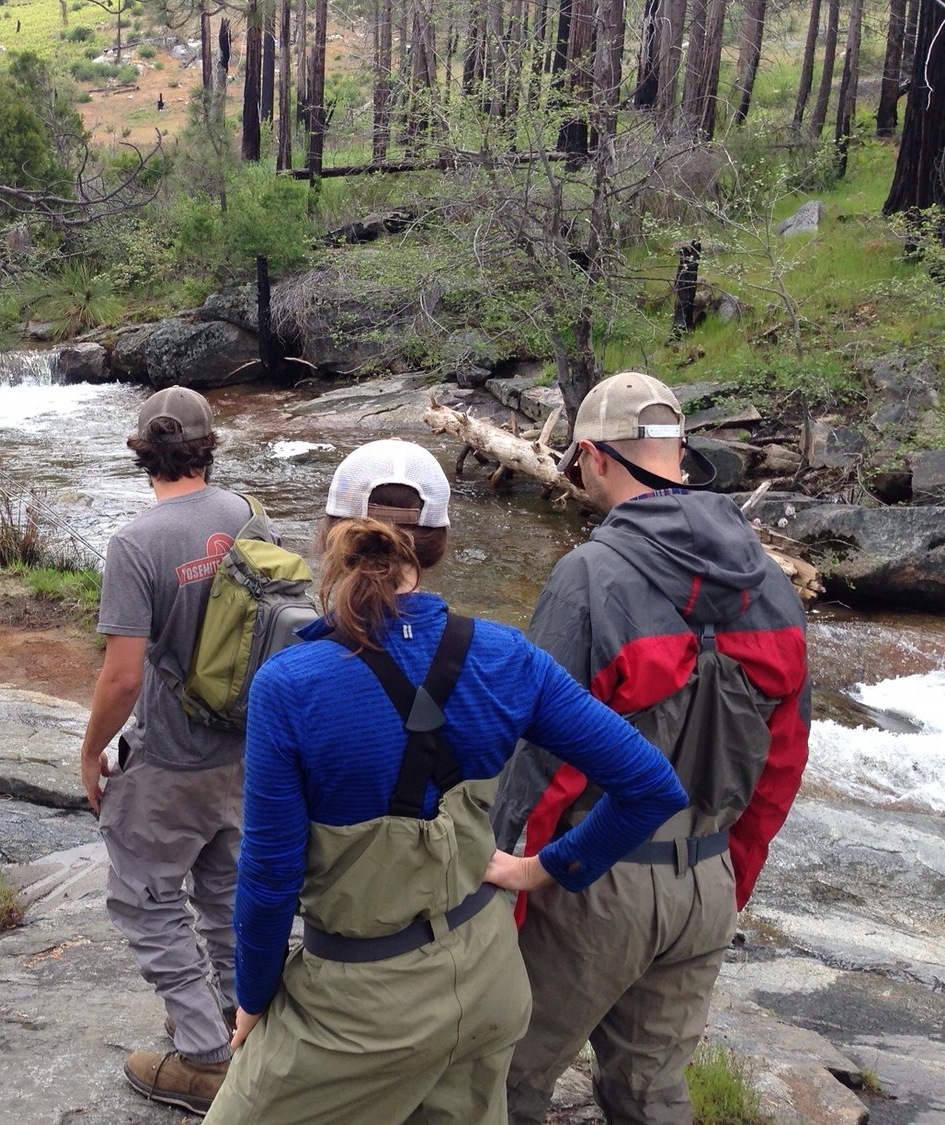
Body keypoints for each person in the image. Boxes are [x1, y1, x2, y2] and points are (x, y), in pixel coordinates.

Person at [205, 438, 689, 1125]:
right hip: (489, 979)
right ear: (435, 546)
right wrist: (539, 869)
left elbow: (269, 876)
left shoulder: (290, 684)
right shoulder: (504, 654)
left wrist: (252, 999)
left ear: (329, 535)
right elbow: (650, 785)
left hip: (358, 1010)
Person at [492, 371, 811, 1125]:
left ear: (595, 457)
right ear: (680, 454)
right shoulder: (771, 583)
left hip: (591, 884)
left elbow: (541, 764)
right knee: (652, 1096)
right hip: (707, 882)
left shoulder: (589, 576)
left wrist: (508, 886)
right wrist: (732, 878)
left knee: (503, 1077)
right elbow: (782, 764)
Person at [79, 385, 254, 1114]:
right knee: (224, 895)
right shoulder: (245, 514)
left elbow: (122, 676)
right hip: (244, 750)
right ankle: (250, 1031)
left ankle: (203, 1055)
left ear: (141, 453)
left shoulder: (135, 543)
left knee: (146, 901)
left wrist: (90, 754)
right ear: (209, 447)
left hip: (171, 759)